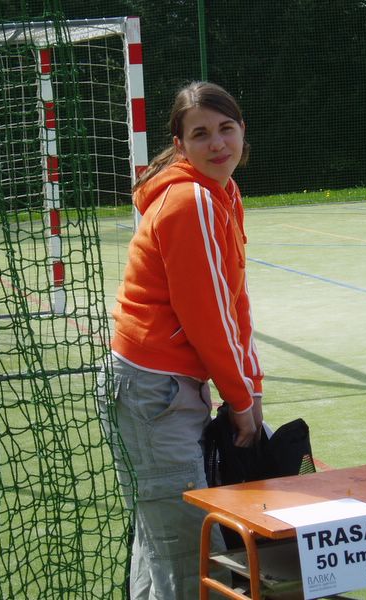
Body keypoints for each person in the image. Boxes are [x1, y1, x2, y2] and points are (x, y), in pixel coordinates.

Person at [100, 81, 264, 599]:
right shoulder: (191, 201)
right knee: (189, 557)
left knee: (162, 550)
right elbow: (207, 319)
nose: (217, 143)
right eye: (201, 134)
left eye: (226, 129)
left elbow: (235, 302)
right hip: (154, 392)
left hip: (165, 389)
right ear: (180, 143)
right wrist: (240, 402)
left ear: (242, 131)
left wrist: (252, 387)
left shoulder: (221, 194)